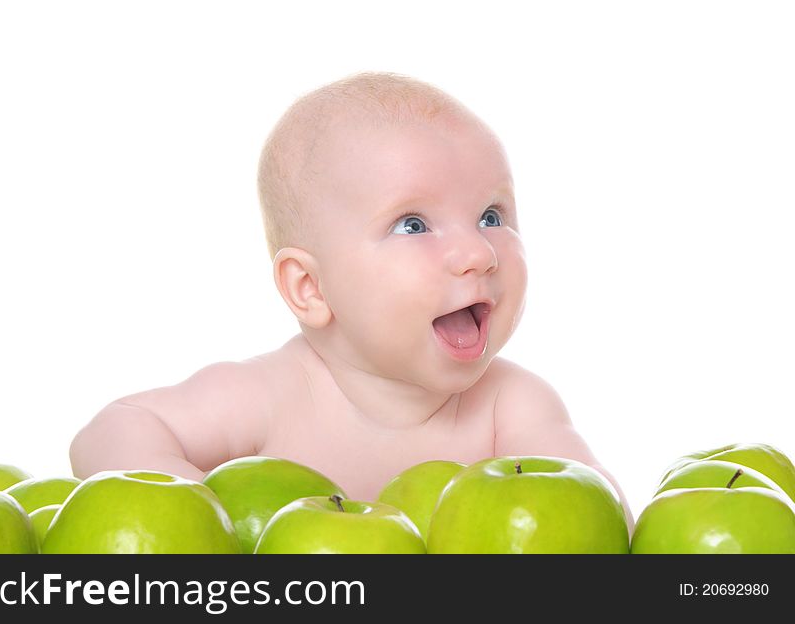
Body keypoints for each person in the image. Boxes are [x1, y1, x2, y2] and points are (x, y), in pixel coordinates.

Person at [69, 71, 635, 535]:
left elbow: (601, 514)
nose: (478, 252)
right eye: (413, 224)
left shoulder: (513, 406)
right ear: (310, 288)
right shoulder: (269, 395)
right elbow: (113, 431)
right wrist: (204, 519)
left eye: (492, 216)